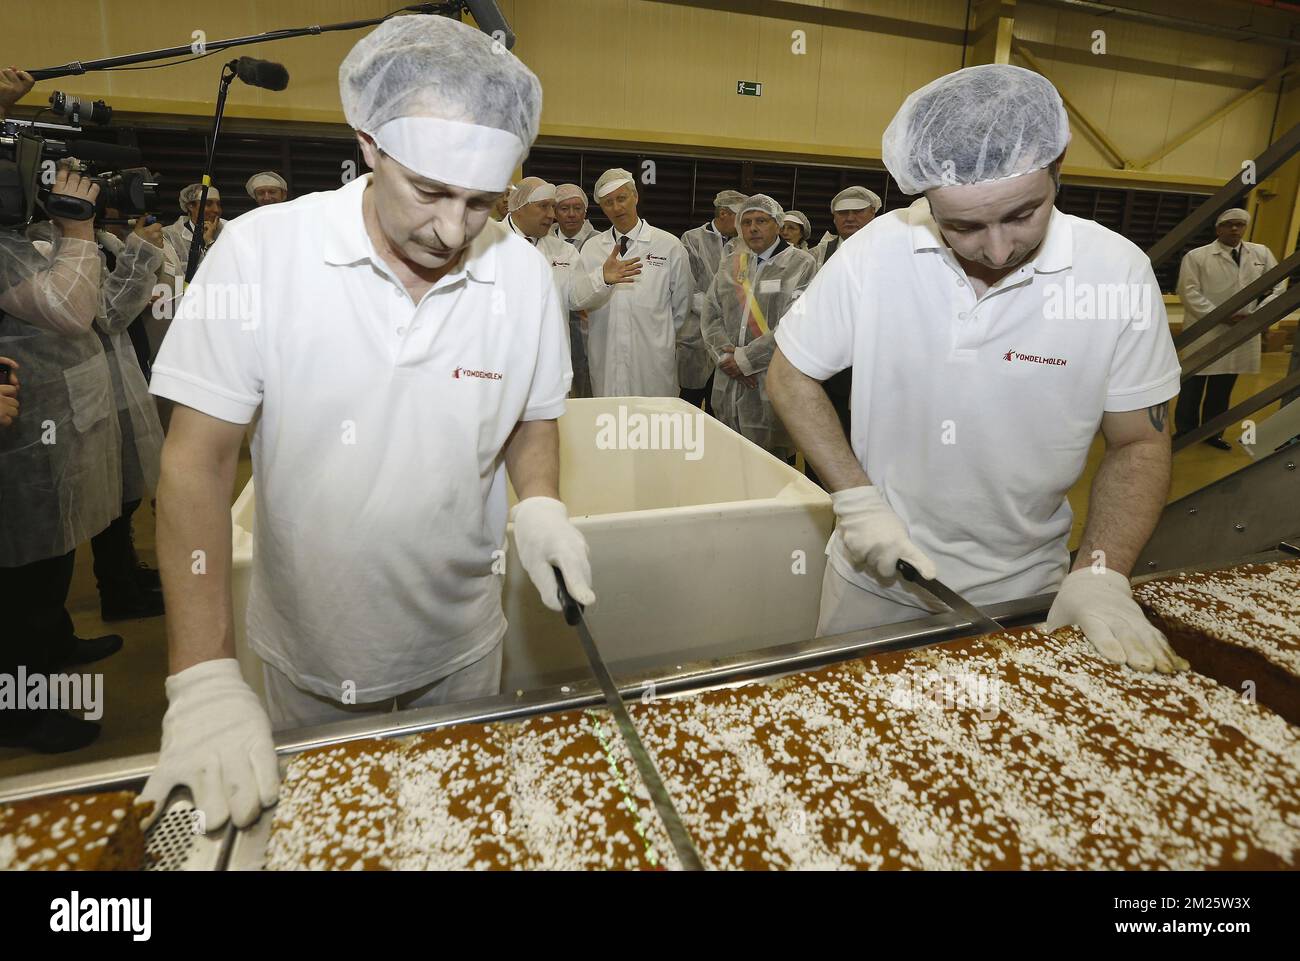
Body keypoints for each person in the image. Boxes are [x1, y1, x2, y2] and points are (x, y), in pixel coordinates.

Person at [141, 15, 594, 831]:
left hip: (464, 647)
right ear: (370, 143)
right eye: (430, 191)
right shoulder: (262, 255)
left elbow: (532, 417)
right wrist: (202, 675)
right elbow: (196, 463)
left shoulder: (523, 277)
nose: (453, 233)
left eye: (482, 202)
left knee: (452, 833)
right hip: (309, 655)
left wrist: (540, 502)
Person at [768, 64, 1186, 675]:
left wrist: (1100, 572)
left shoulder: (1115, 274)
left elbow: (1140, 443)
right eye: (961, 225)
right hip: (871, 582)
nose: (996, 250)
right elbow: (790, 374)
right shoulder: (878, 252)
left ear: (1059, 165)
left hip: (1022, 589)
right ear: (924, 200)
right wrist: (856, 500)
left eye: (1022, 214)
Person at [0, 168, 127, 753]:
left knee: (52, 554)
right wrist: (77, 230)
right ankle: (18, 715)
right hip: (19, 436)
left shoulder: (19, 241)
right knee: (19, 579)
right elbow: (71, 309)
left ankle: (54, 646)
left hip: (47, 423)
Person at [87, 214, 168, 621]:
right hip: (100, 386)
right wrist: (140, 247)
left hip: (124, 371)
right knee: (112, 497)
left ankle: (128, 574)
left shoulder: (102, 240)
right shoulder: (51, 244)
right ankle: (119, 594)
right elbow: (109, 313)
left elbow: (124, 293)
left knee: (126, 490)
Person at [700, 194, 815, 459]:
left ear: (777, 224)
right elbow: (710, 314)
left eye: (761, 220)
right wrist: (725, 357)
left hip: (768, 378)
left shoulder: (800, 264)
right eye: (747, 221)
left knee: (770, 464)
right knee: (726, 456)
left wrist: (745, 359)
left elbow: (793, 323)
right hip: (727, 379)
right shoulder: (732, 263)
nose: (753, 228)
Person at [571, 168, 693, 397]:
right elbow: (579, 298)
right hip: (606, 354)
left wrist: (657, 334)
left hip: (652, 358)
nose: (616, 207)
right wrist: (602, 280)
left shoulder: (668, 245)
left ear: (635, 197)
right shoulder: (592, 248)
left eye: (621, 198)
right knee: (610, 424)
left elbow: (682, 306)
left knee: (653, 425)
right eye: (608, 202)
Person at [1175, 208, 1285, 449]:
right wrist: (1221, 316)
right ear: (1218, 229)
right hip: (1206, 330)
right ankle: (1184, 431)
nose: (1234, 229)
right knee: (1194, 383)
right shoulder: (1197, 256)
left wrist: (1256, 315)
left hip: (1242, 330)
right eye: (1228, 225)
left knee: (1222, 387)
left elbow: (1279, 285)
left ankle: (1212, 433)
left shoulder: (1261, 253)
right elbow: (1188, 291)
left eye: (1239, 224)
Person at [679, 189, 744, 412]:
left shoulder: (742, 244)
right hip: (695, 336)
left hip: (729, 338)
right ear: (724, 213)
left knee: (719, 404)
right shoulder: (692, 239)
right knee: (689, 402)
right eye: (740, 217)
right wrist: (717, 313)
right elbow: (689, 287)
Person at [161, 183, 228, 280]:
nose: (216, 210)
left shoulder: (229, 230)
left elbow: (229, 269)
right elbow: (171, 276)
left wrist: (209, 242)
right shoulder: (170, 235)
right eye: (208, 204)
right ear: (191, 206)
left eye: (218, 204)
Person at [811, 186, 880, 271]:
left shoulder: (886, 251)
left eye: (857, 211)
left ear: (872, 212)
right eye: (842, 212)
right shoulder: (817, 255)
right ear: (834, 218)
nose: (850, 218)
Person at [551, 183, 597, 249]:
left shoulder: (598, 241)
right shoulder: (543, 242)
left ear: (585, 212)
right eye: (564, 209)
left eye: (577, 208)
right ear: (554, 213)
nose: (571, 214)